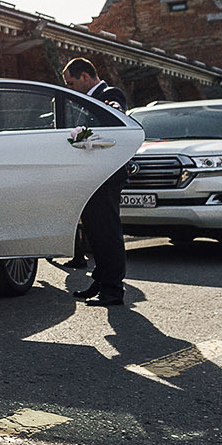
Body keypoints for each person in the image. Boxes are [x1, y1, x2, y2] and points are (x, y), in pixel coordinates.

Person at [62, 58, 131, 307]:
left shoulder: (109, 94)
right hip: (92, 175)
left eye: (71, 82)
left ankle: (113, 290)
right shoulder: (84, 101)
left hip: (107, 173)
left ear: (85, 76)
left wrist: (82, 136)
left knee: (108, 232)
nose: (70, 87)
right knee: (95, 231)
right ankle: (101, 281)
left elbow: (114, 120)